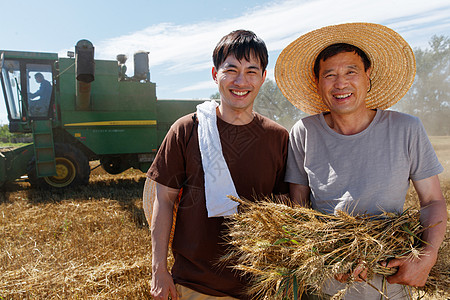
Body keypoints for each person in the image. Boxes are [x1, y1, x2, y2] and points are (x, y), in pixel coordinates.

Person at [275, 23, 447, 299]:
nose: (340, 83)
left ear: (368, 76)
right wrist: (322, 258)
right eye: (329, 75)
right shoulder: (304, 132)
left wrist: (427, 258)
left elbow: (433, 201)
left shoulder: (406, 129)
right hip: (325, 287)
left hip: (388, 286)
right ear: (317, 83)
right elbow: (300, 210)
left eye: (351, 72)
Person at [143, 29, 289, 300]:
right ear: (215, 74)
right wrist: (158, 270)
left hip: (259, 286)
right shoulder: (187, 130)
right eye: (230, 70)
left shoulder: (278, 137)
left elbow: (286, 206)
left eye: (251, 71)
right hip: (192, 286)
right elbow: (163, 201)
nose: (241, 81)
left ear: (263, 77)